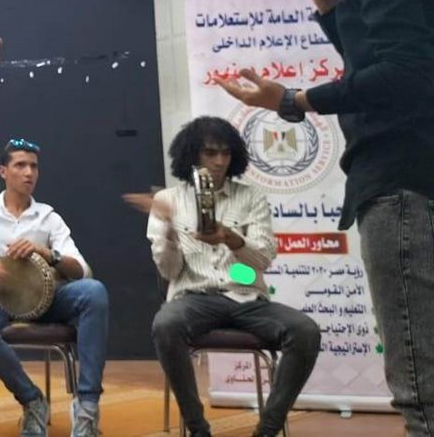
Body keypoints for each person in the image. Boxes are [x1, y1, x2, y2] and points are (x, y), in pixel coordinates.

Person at [217, 0, 433, 435]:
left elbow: (405, 75)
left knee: (420, 391)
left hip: (400, 184)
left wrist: (292, 100)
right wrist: (337, 15)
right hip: (411, 177)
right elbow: (389, 65)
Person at [125, 117, 320, 437]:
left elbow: (263, 261)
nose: (219, 162)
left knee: (305, 331)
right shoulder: (168, 201)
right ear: (192, 155)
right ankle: (198, 429)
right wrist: (170, 231)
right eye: (210, 153)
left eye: (226, 153)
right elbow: (170, 271)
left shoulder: (251, 197)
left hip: (246, 294)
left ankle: (268, 429)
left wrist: (231, 239)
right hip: (194, 295)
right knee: (165, 325)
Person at [0, 138, 108, 437]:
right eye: (20, 165)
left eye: (34, 166)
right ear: (3, 171)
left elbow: (83, 270)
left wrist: (48, 253)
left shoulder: (48, 216)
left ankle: (87, 407)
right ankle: (32, 400)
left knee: (94, 292)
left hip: (45, 299)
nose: (29, 172)